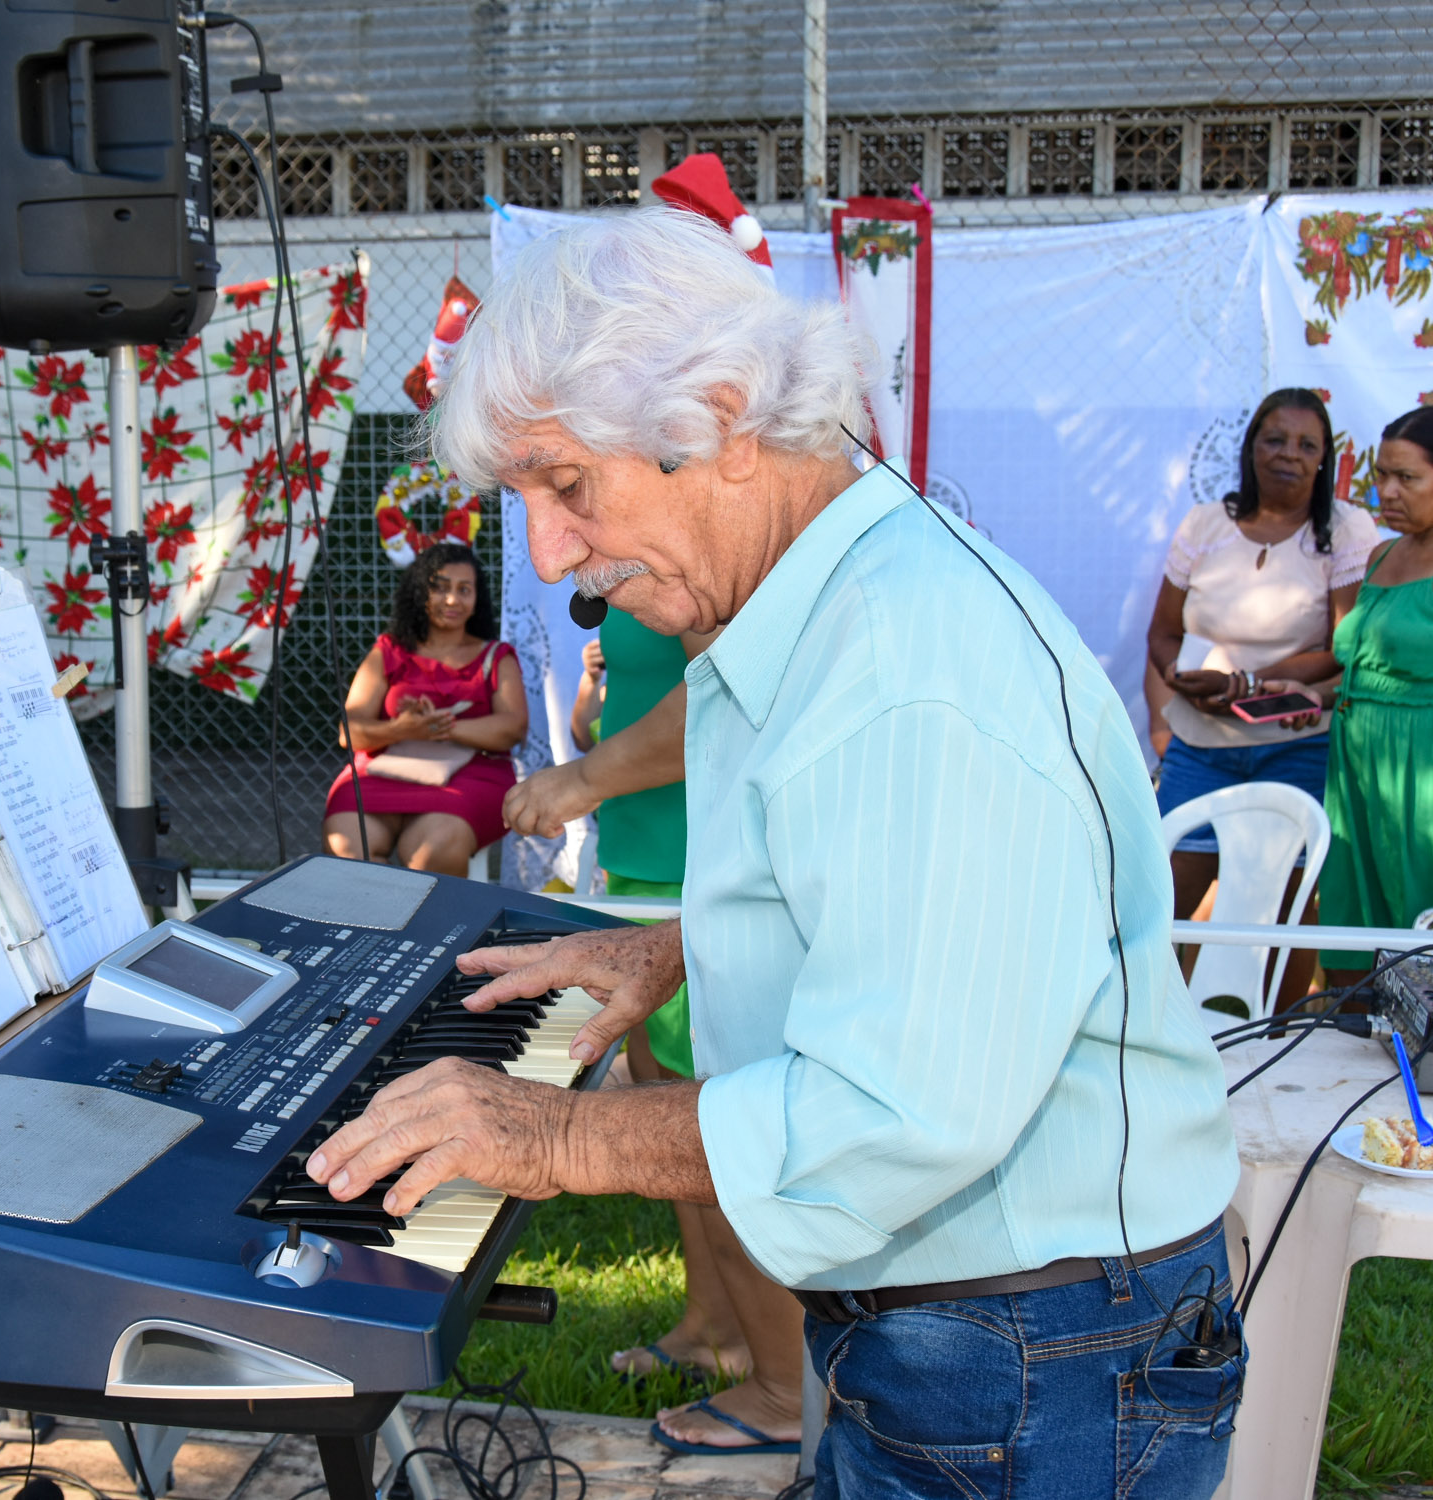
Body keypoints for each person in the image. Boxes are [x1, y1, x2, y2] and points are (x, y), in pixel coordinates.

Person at [304, 209, 1242, 1498]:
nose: (550, 553)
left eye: (565, 486)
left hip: (1035, 1349)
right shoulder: (831, 599)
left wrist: (556, 1139)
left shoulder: (905, 668)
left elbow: (897, 1109)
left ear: (722, 418)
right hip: (995, 1329)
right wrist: (684, 947)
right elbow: (901, 905)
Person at [515, 611, 803, 1454]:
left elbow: (721, 697)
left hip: (698, 864)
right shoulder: (631, 576)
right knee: (670, 1103)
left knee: (718, 1125)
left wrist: (582, 779)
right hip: (649, 861)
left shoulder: (696, 570)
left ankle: (788, 1389)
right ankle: (715, 1328)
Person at [1145, 388, 1378, 1007]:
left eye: (1307, 445)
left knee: (1286, 904)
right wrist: (1177, 676)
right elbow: (1162, 634)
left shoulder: (1347, 529)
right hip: (1201, 742)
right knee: (1163, 898)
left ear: (1325, 458)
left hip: (1296, 745)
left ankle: (1277, 1036)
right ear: (1250, 448)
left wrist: (1247, 684)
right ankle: (1151, 1027)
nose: (1289, 455)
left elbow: (1344, 646)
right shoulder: (1204, 524)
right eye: (1275, 440)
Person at [1271, 408, 1433, 987]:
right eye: (1382, 475)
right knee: (1354, 919)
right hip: (1356, 770)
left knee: (1419, 921)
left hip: (1420, 776)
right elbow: (1371, 670)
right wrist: (1310, 693)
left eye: (1407, 478)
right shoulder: (1381, 556)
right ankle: (1353, 1032)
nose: (1387, 492)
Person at [321, 543, 528, 877]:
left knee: (431, 853)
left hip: (472, 776)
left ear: (477, 598)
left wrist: (440, 727)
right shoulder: (388, 651)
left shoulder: (496, 656)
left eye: (464, 590)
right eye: (441, 588)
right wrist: (402, 729)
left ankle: (425, 914)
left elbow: (513, 728)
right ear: (420, 592)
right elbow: (349, 732)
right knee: (346, 848)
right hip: (385, 771)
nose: (453, 600)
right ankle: (378, 913)